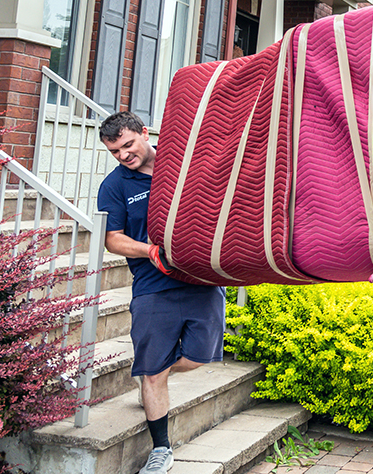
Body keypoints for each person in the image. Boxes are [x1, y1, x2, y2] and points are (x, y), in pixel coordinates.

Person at [97, 111, 226, 474]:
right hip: (153, 287)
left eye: (127, 145)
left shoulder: (181, 163)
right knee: (153, 373)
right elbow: (113, 240)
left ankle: (153, 373)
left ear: (144, 133)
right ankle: (161, 449)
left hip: (201, 280)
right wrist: (149, 251)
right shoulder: (115, 185)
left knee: (201, 357)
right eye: (114, 151)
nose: (123, 155)